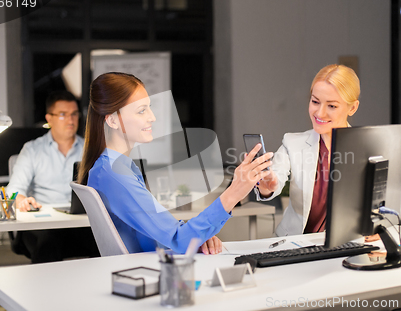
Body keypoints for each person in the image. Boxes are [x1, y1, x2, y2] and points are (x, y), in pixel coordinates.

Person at [78, 72, 272, 255]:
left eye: (149, 107)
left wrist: (196, 236)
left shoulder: (113, 168)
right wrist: (234, 192)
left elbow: (163, 232)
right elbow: (179, 240)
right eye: (141, 111)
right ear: (112, 121)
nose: (152, 117)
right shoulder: (115, 175)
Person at [256, 64, 360, 236]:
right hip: (294, 245)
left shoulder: (366, 148)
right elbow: (275, 178)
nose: (320, 113)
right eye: (315, 102)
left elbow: (380, 205)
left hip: (344, 247)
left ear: (352, 108)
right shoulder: (292, 143)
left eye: (332, 106)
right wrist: (267, 186)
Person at [6, 90, 99, 263]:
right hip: (44, 224)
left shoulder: (89, 150)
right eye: (63, 114)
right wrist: (22, 200)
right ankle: (45, 290)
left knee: (104, 240)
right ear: (49, 118)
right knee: (48, 242)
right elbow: (14, 189)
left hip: (79, 222)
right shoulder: (32, 149)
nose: (71, 120)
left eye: (74, 114)